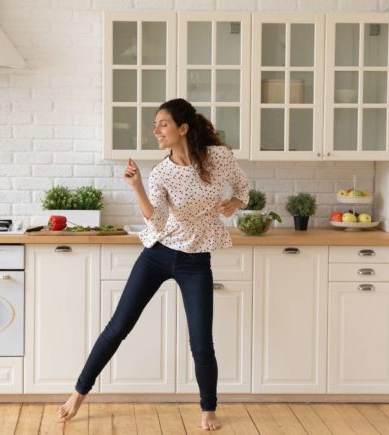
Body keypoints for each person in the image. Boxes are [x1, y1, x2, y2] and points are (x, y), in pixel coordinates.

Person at [58, 98, 249, 431]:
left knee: (201, 340)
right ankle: (78, 393)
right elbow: (157, 222)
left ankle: (208, 410)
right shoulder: (161, 172)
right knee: (119, 327)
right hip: (158, 254)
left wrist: (235, 201)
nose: (155, 130)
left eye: (162, 123)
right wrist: (136, 187)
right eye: (155, 124)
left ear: (183, 128)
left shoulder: (218, 158)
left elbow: (244, 187)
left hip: (195, 260)